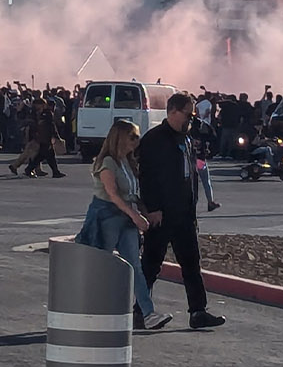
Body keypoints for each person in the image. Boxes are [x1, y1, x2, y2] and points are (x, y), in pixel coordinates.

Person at [138, 94, 225, 330]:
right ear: (173, 111)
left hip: (184, 214)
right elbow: (145, 178)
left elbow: (190, 175)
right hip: (162, 214)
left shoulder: (186, 138)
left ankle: (198, 311)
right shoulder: (154, 140)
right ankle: (138, 309)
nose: (191, 118)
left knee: (191, 264)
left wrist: (194, 208)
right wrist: (153, 208)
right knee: (151, 264)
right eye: (188, 114)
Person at [74, 119, 171, 331]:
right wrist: (135, 216)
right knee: (102, 265)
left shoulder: (127, 162)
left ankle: (148, 313)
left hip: (126, 217)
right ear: (120, 137)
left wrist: (144, 213)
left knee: (134, 266)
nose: (136, 142)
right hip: (107, 216)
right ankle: (88, 310)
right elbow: (113, 194)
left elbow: (131, 195)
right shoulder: (108, 162)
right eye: (132, 137)